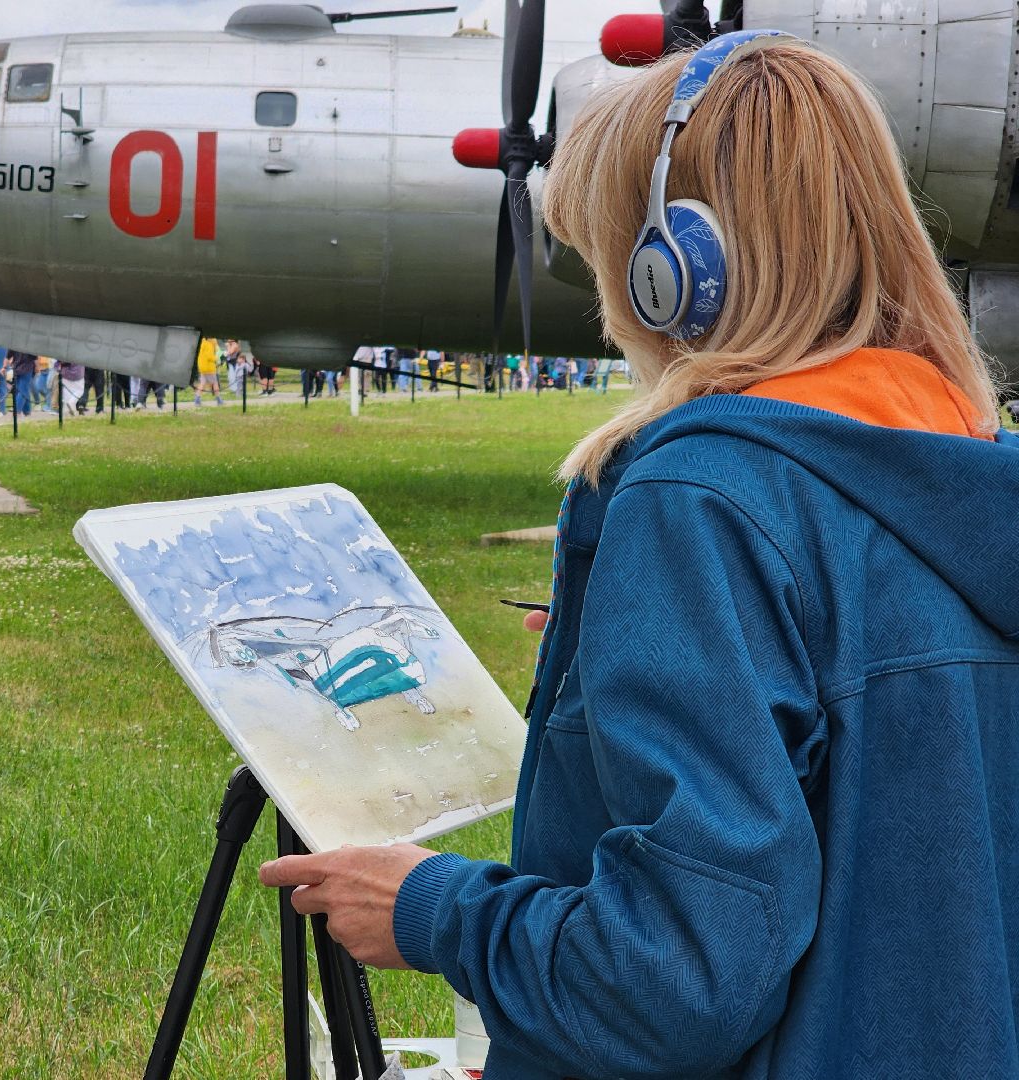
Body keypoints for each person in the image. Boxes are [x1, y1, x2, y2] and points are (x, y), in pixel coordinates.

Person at [259, 35, 1019, 1079]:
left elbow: (678, 979)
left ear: (678, 272)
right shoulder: (971, 464)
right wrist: (643, 650)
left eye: (608, 253)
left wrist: (437, 912)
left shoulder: (699, 501)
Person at [194, 337, 224, 405]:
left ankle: (197, 399)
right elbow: (210, 356)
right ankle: (219, 400)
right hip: (209, 367)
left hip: (202, 366)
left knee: (202, 383)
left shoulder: (202, 342)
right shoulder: (209, 344)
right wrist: (216, 359)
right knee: (215, 383)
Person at [10, 352, 36, 416]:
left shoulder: (13, 343)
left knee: (22, 389)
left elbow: (8, 356)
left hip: (17, 368)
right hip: (27, 368)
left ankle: (27, 411)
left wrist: (4, 367)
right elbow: (35, 357)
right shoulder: (30, 344)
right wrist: (37, 367)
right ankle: (17, 410)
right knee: (23, 390)